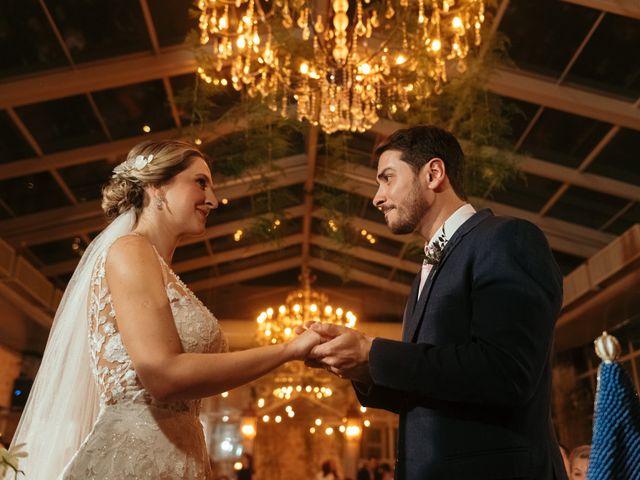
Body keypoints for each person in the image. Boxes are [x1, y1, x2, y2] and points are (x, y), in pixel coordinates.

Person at [5, 140, 321, 480]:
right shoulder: (131, 251)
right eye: (200, 182)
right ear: (156, 186)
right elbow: (163, 374)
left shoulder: (160, 269)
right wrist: (287, 351)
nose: (213, 200)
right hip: (132, 463)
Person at [305, 125, 567, 479]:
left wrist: (373, 352)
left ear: (433, 173)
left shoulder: (507, 238)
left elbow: (506, 373)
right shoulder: (423, 274)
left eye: (387, 178)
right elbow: (432, 387)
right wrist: (363, 369)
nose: (377, 197)